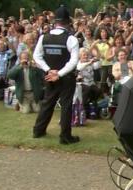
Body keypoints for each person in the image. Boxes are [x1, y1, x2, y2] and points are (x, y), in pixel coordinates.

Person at [32, 5, 80, 145]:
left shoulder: (44, 38)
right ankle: (65, 136)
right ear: (68, 22)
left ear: (55, 21)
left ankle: (38, 130)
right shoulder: (71, 39)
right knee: (66, 106)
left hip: (50, 76)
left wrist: (49, 70)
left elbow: (36, 56)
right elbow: (73, 61)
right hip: (66, 77)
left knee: (47, 103)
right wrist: (59, 73)